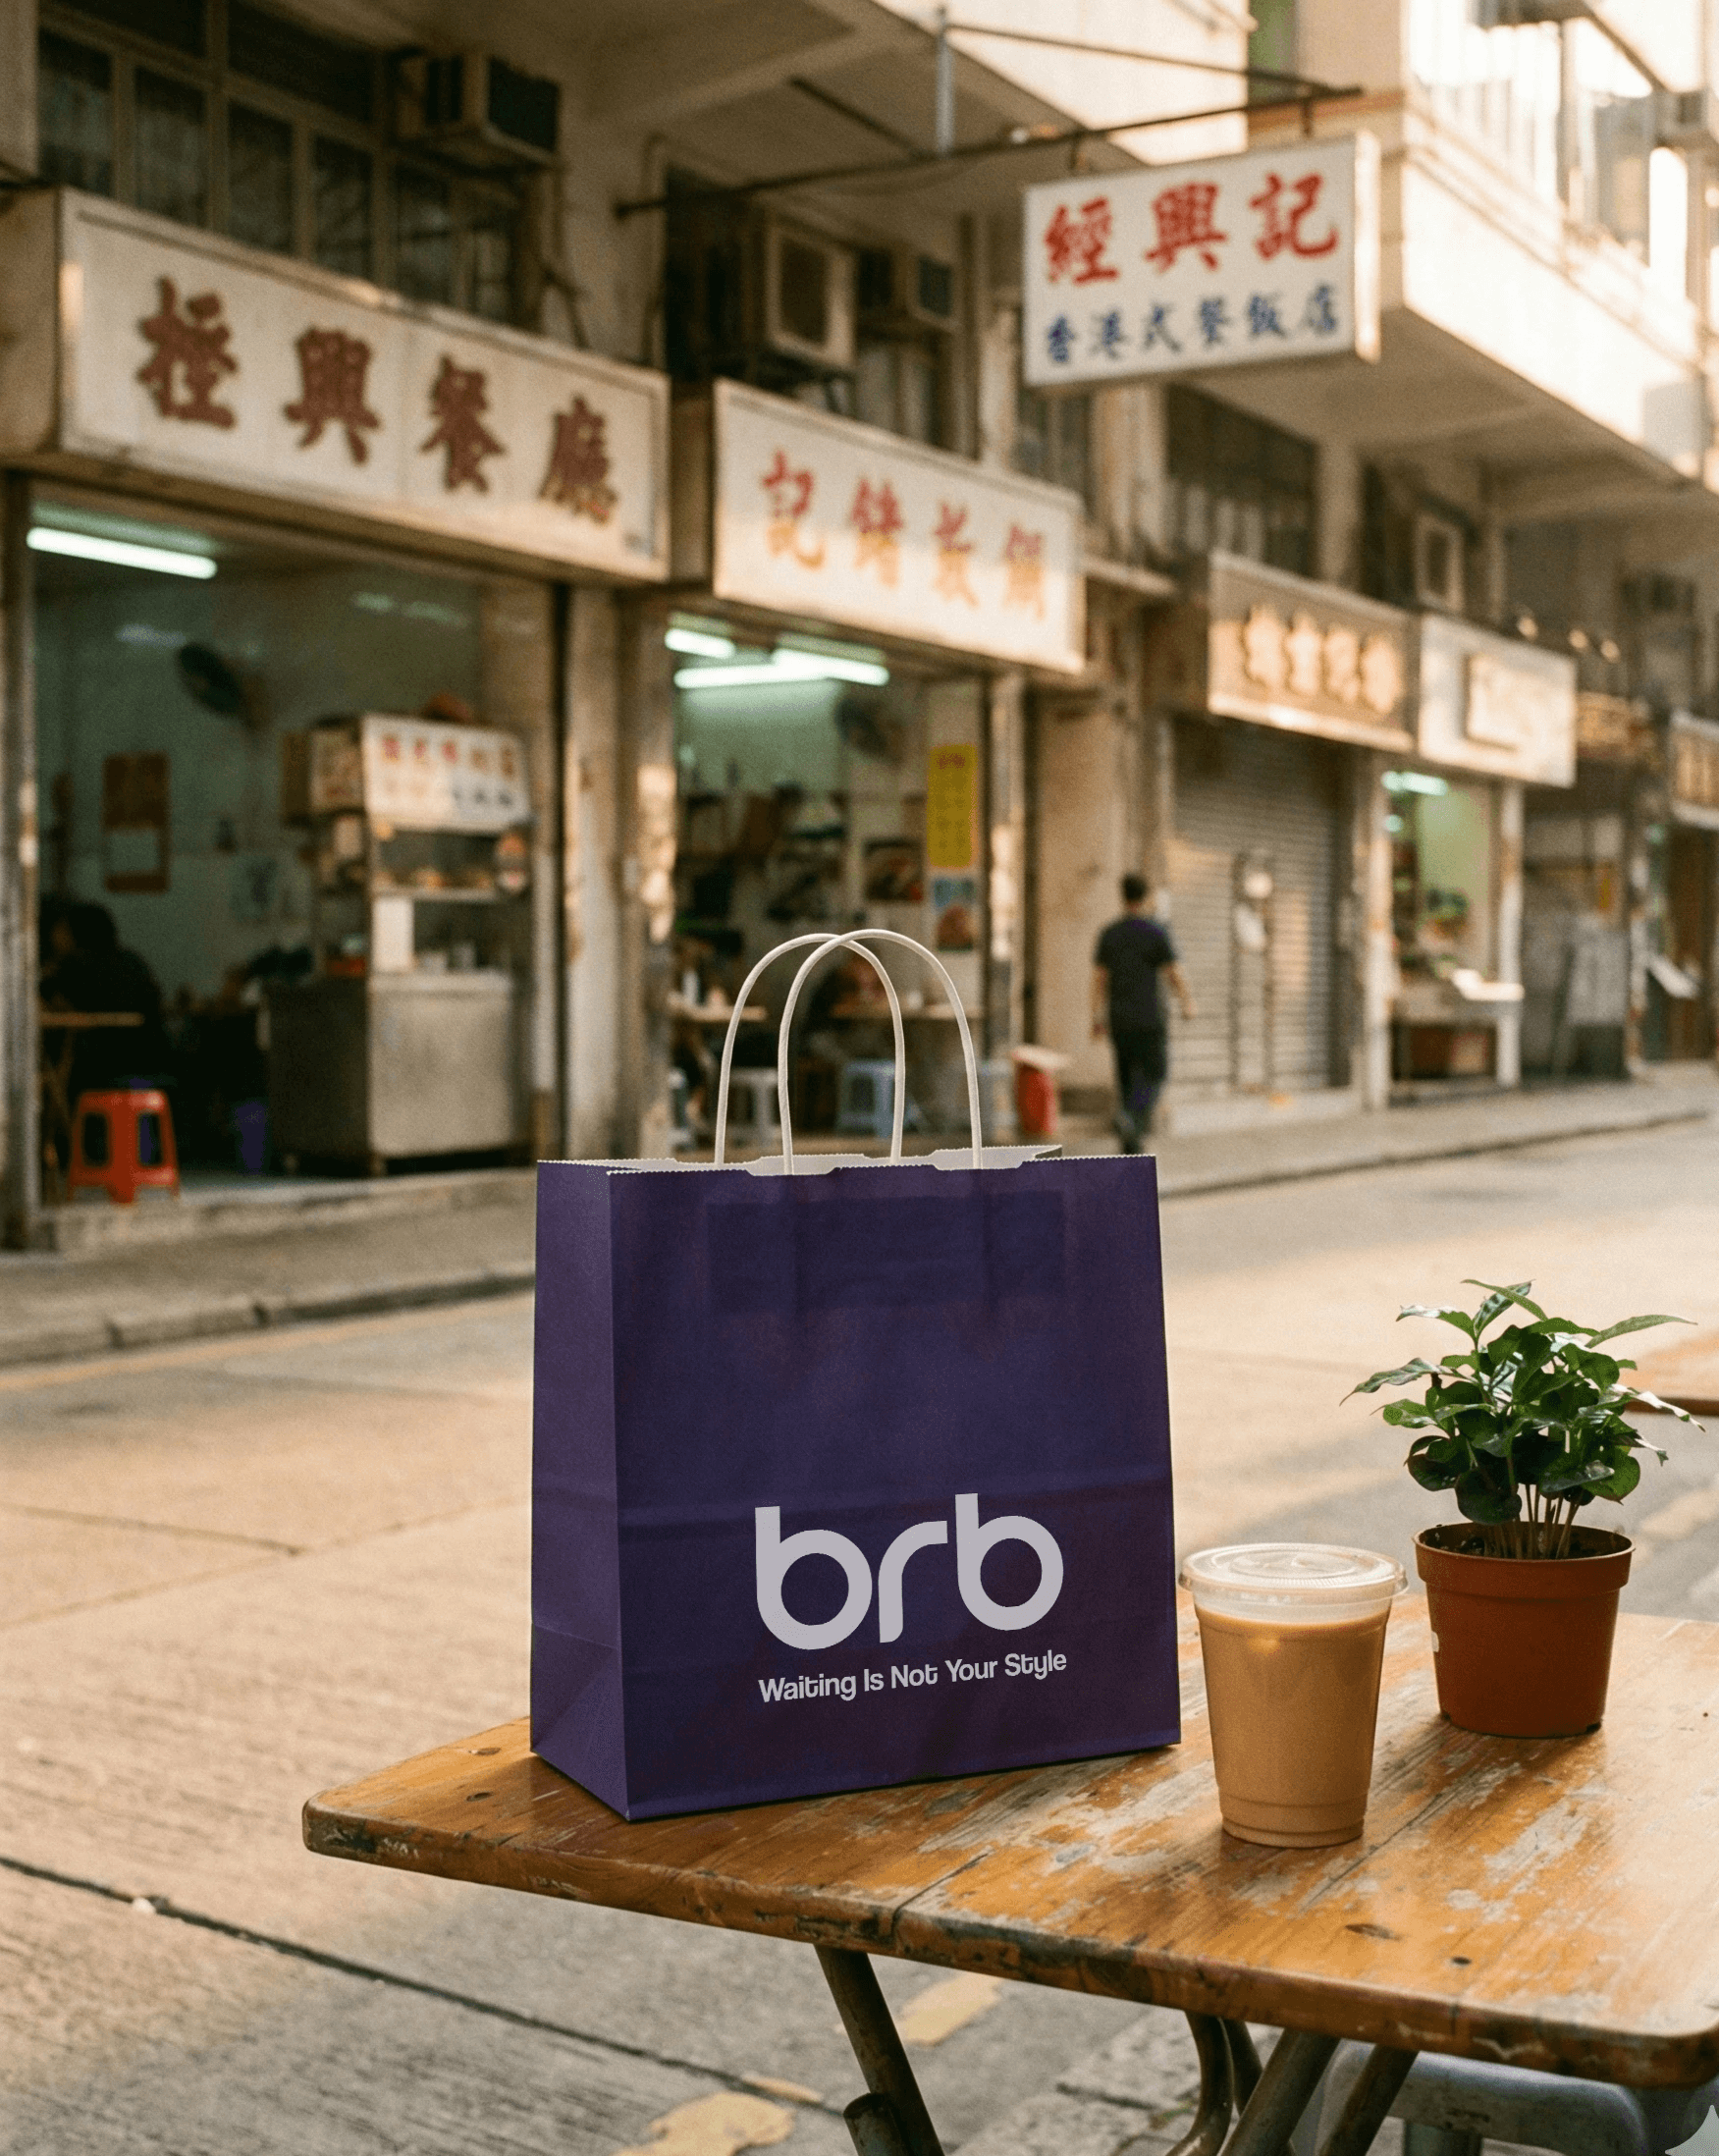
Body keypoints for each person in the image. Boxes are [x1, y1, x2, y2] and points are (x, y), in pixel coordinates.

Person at [1092, 874, 1195, 1153]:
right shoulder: (1156, 931)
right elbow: (1174, 973)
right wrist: (1187, 1002)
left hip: (1119, 1019)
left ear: (1122, 896)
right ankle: (1132, 1119)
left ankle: (1130, 1146)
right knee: (1156, 1074)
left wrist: (1096, 1018)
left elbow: (1099, 979)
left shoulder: (1109, 934)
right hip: (1150, 1018)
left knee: (1126, 1079)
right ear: (1146, 897)